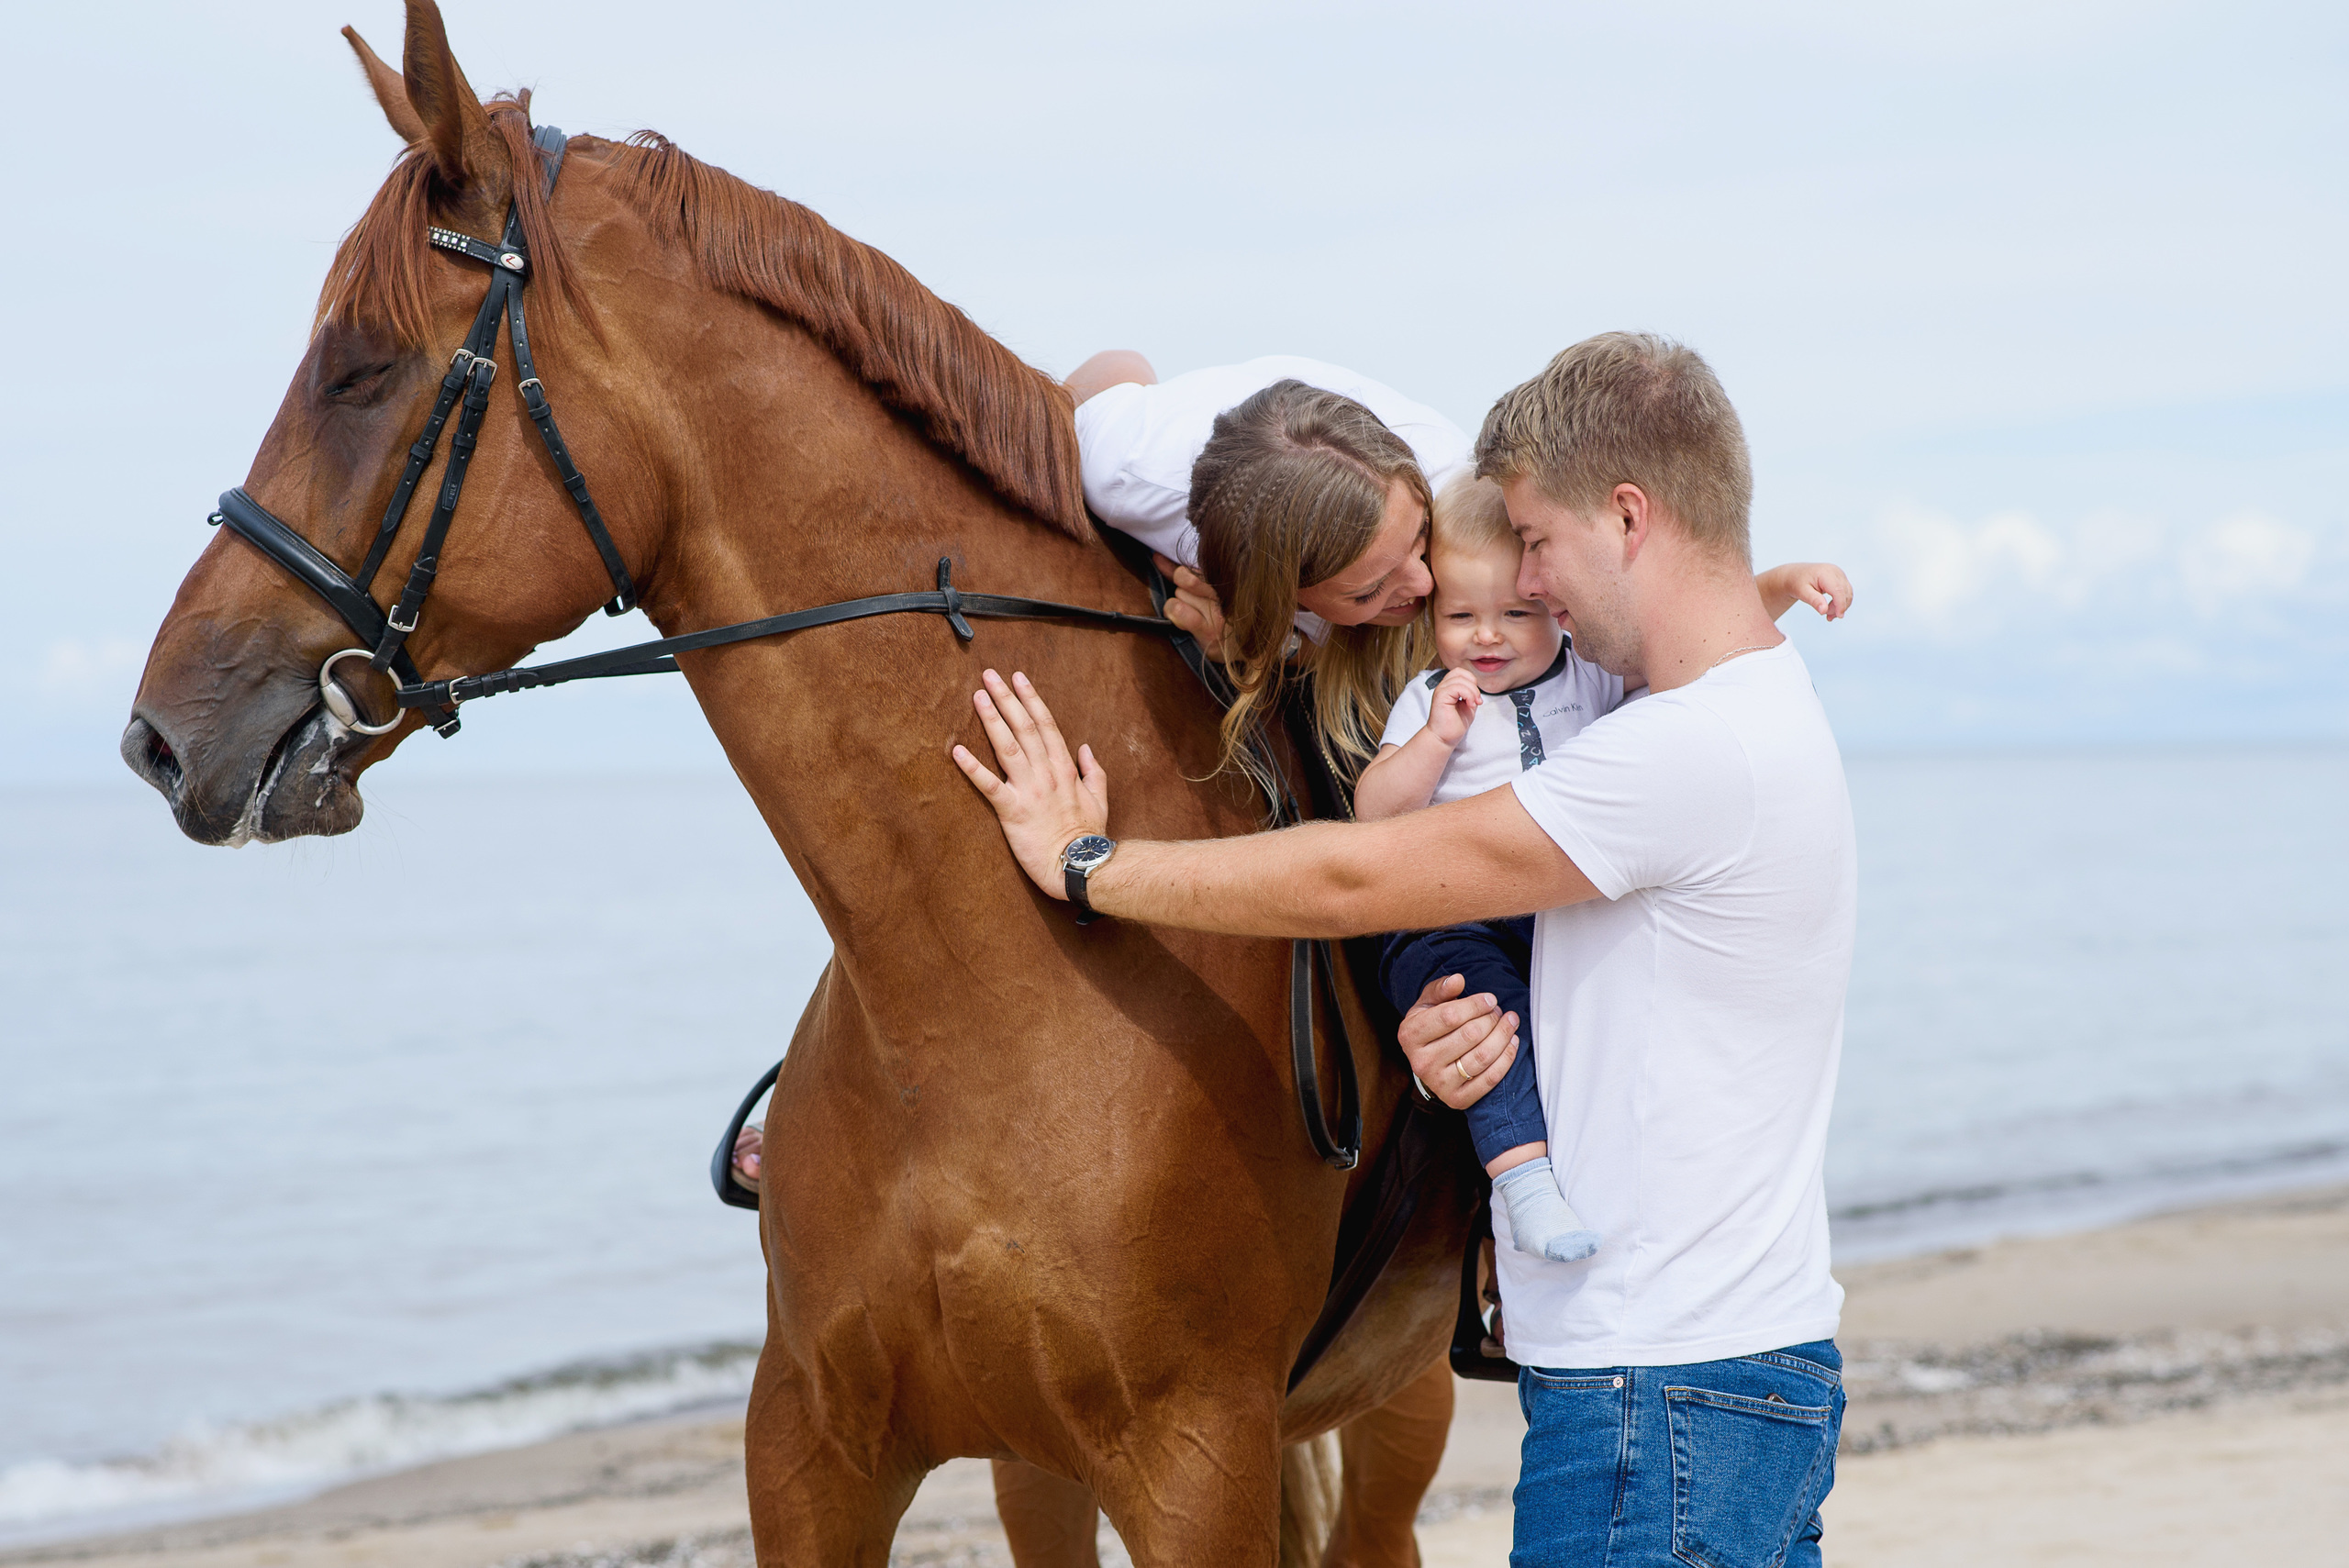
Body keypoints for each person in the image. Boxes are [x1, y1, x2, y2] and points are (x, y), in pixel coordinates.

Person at [950, 332, 1858, 1565]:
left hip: (1661, 1391)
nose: (1513, 586)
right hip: (1711, 1376)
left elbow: (1354, 873)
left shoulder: (1677, 752)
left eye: (1535, 546)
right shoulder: (1731, 714)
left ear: (1629, 518)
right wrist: (1434, 1049)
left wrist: (1086, 864)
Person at [1356, 470, 1848, 1266]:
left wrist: (1780, 588)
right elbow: (1376, 815)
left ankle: (1517, 1229)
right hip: (1455, 918)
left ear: (1552, 604)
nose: (1487, 636)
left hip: (1550, 911)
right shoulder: (1427, 696)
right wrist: (1435, 744)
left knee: (1572, 1040)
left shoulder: (1589, 677)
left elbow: (1696, 630)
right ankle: (1521, 1191)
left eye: (1516, 613)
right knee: (1491, 1022)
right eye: (1460, 616)